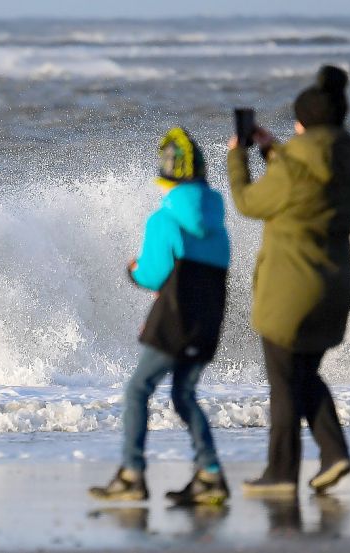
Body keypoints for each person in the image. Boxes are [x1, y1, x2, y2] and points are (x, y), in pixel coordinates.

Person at [227, 65, 350, 496]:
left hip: (291, 290)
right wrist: (275, 152)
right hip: (334, 286)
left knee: (284, 382)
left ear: (303, 122)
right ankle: (334, 453)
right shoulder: (346, 156)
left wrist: (239, 156)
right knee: (303, 375)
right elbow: (305, 183)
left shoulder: (295, 164)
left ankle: (281, 474)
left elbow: (249, 202)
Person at [89, 127, 231, 506]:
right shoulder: (217, 222)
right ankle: (210, 474)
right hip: (209, 319)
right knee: (184, 395)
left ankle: (132, 474)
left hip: (175, 317)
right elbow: (203, 276)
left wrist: (132, 270)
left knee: (137, 390)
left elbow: (153, 274)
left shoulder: (163, 219)